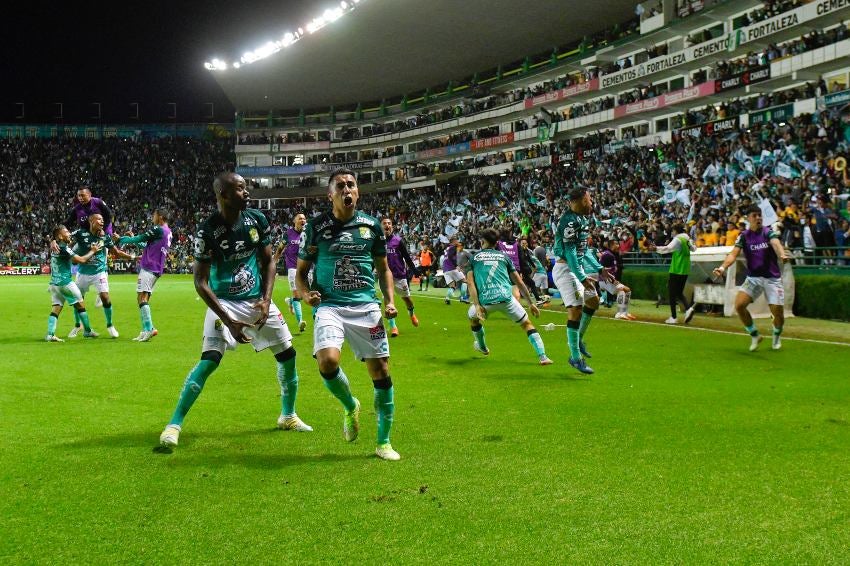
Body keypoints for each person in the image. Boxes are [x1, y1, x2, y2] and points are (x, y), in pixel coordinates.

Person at [159, 172, 311, 449]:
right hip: (224, 303)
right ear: (223, 195)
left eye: (246, 188)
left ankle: (288, 415)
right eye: (240, 189)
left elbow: (268, 262)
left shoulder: (257, 219)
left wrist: (266, 300)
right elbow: (200, 282)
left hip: (255, 300)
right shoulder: (207, 231)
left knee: (288, 355)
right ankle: (174, 424)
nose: (247, 192)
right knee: (209, 361)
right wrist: (228, 320)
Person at [296, 168, 400, 461]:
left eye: (351, 185)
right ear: (330, 195)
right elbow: (301, 274)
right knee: (328, 361)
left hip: (366, 306)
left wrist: (390, 301)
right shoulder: (315, 227)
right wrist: (305, 295)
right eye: (340, 186)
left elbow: (384, 269)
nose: (347, 189)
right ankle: (350, 404)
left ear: (358, 192)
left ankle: (384, 443)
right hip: (330, 305)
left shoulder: (372, 226)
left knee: (381, 371)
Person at [465, 228, 552, 365]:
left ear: (482, 241)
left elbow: (470, 283)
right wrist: (531, 303)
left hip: (485, 301)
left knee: (473, 319)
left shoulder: (474, 258)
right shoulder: (504, 257)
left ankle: (482, 346)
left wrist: (476, 305)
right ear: (496, 243)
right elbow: (519, 282)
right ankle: (543, 357)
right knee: (526, 324)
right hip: (506, 299)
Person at [713, 205, 790, 351]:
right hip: (754, 278)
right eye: (755, 215)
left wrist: (782, 254)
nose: (758, 218)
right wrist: (722, 268)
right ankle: (755, 335)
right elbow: (733, 254)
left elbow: (776, 243)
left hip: (772, 279)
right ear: (748, 218)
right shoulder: (744, 236)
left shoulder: (768, 232)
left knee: (778, 314)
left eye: (760, 215)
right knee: (739, 305)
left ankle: (776, 335)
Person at [552, 186, 605, 375]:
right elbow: (570, 252)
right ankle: (575, 357)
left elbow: (584, 250)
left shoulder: (581, 219)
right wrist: (582, 277)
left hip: (577, 269)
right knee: (575, 310)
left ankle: (578, 339)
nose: (591, 203)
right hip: (566, 270)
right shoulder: (569, 222)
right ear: (580, 200)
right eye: (589, 199)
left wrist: (599, 268)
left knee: (593, 301)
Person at [69, 213, 136, 338]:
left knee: (105, 297)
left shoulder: (104, 237)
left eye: (103, 220)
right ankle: (78, 325)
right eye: (99, 219)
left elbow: (116, 252)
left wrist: (133, 257)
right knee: (78, 300)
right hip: (82, 273)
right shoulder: (80, 233)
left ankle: (110, 325)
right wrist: (53, 241)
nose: (102, 222)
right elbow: (65, 236)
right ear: (91, 221)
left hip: (99, 272)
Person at [116, 207, 172, 342]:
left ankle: (149, 329)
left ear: (161, 217)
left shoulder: (158, 229)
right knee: (141, 298)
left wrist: (121, 239)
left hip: (149, 267)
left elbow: (141, 238)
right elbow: (147, 245)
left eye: (154, 214)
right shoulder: (167, 232)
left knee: (142, 298)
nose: (152, 217)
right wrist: (132, 238)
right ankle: (146, 328)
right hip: (156, 268)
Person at [45, 225, 100, 341]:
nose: (69, 233)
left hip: (54, 283)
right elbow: (81, 260)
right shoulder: (64, 248)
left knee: (56, 308)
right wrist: (93, 251)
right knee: (80, 304)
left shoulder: (55, 246)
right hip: (65, 283)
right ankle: (87, 331)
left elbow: (73, 259)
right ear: (60, 236)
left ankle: (50, 334)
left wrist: (53, 240)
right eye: (66, 232)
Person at [381, 217, 420, 337]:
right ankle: (393, 327)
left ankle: (411, 314)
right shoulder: (379, 242)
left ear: (392, 226)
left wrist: (414, 270)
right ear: (381, 227)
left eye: (389, 223)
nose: (387, 225)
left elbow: (407, 257)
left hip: (399, 276)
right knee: (387, 301)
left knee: (407, 299)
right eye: (384, 223)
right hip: (385, 277)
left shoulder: (398, 241)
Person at [652, 222, 697, 325]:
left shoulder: (677, 239)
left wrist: (656, 249)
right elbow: (694, 248)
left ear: (676, 231)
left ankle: (673, 317)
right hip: (685, 269)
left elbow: (668, 248)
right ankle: (688, 309)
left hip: (677, 268)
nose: (671, 232)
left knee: (672, 293)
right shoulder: (687, 238)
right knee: (679, 292)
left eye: (672, 231)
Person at [273, 213, 308, 333]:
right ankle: (300, 322)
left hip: (305, 267)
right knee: (297, 295)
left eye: (304, 218)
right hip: (292, 268)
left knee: (304, 295)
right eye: (300, 218)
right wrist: (275, 261)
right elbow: (280, 248)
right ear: (295, 221)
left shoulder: (307, 233)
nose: (302, 220)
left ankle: (290, 301)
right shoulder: (288, 234)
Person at [599, 239, 636, 320]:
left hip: (608, 279)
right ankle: (619, 313)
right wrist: (613, 281)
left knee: (627, 290)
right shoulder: (608, 255)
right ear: (611, 245)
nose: (618, 246)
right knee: (621, 291)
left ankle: (624, 312)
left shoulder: (612, 254)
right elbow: (602, 270)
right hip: (605, 280)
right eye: (616, 244)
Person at [441, 236, 465, 304]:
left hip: (445, 269)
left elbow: (446, 257)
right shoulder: (453, 248)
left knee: (452, 286)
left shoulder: (447, 248)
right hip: (452, 268)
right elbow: (450, 257)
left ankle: (447, 299)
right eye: (456, 240)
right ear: (453, 241)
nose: (457, 242)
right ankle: (463, 298)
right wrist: (456, 266)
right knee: (464, 281)